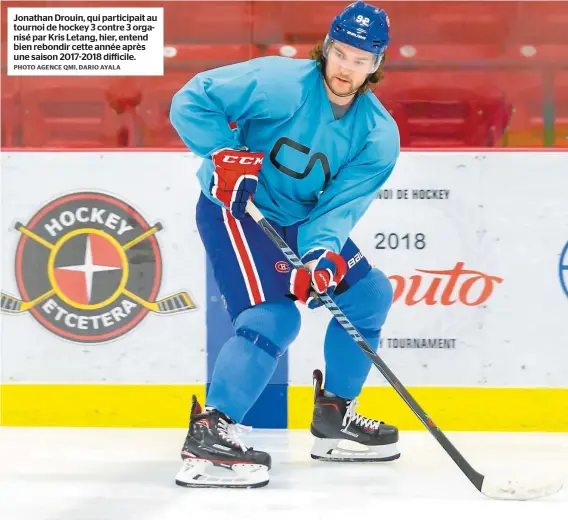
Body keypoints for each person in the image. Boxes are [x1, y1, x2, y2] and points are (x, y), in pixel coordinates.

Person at [170, 1, 400, 488]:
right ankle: (210, 434)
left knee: (367, 294)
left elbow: (339, 207)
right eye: (341, 53)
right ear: (327, 48)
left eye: (361, 60)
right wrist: (222, 153)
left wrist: (319, 256)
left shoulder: (378, 134)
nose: (347, 67)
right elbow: (191, 100)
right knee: (274, 317)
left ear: (376, 64)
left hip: (300, 219)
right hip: (236, 208)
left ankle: (334, 416)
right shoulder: (280, 81)